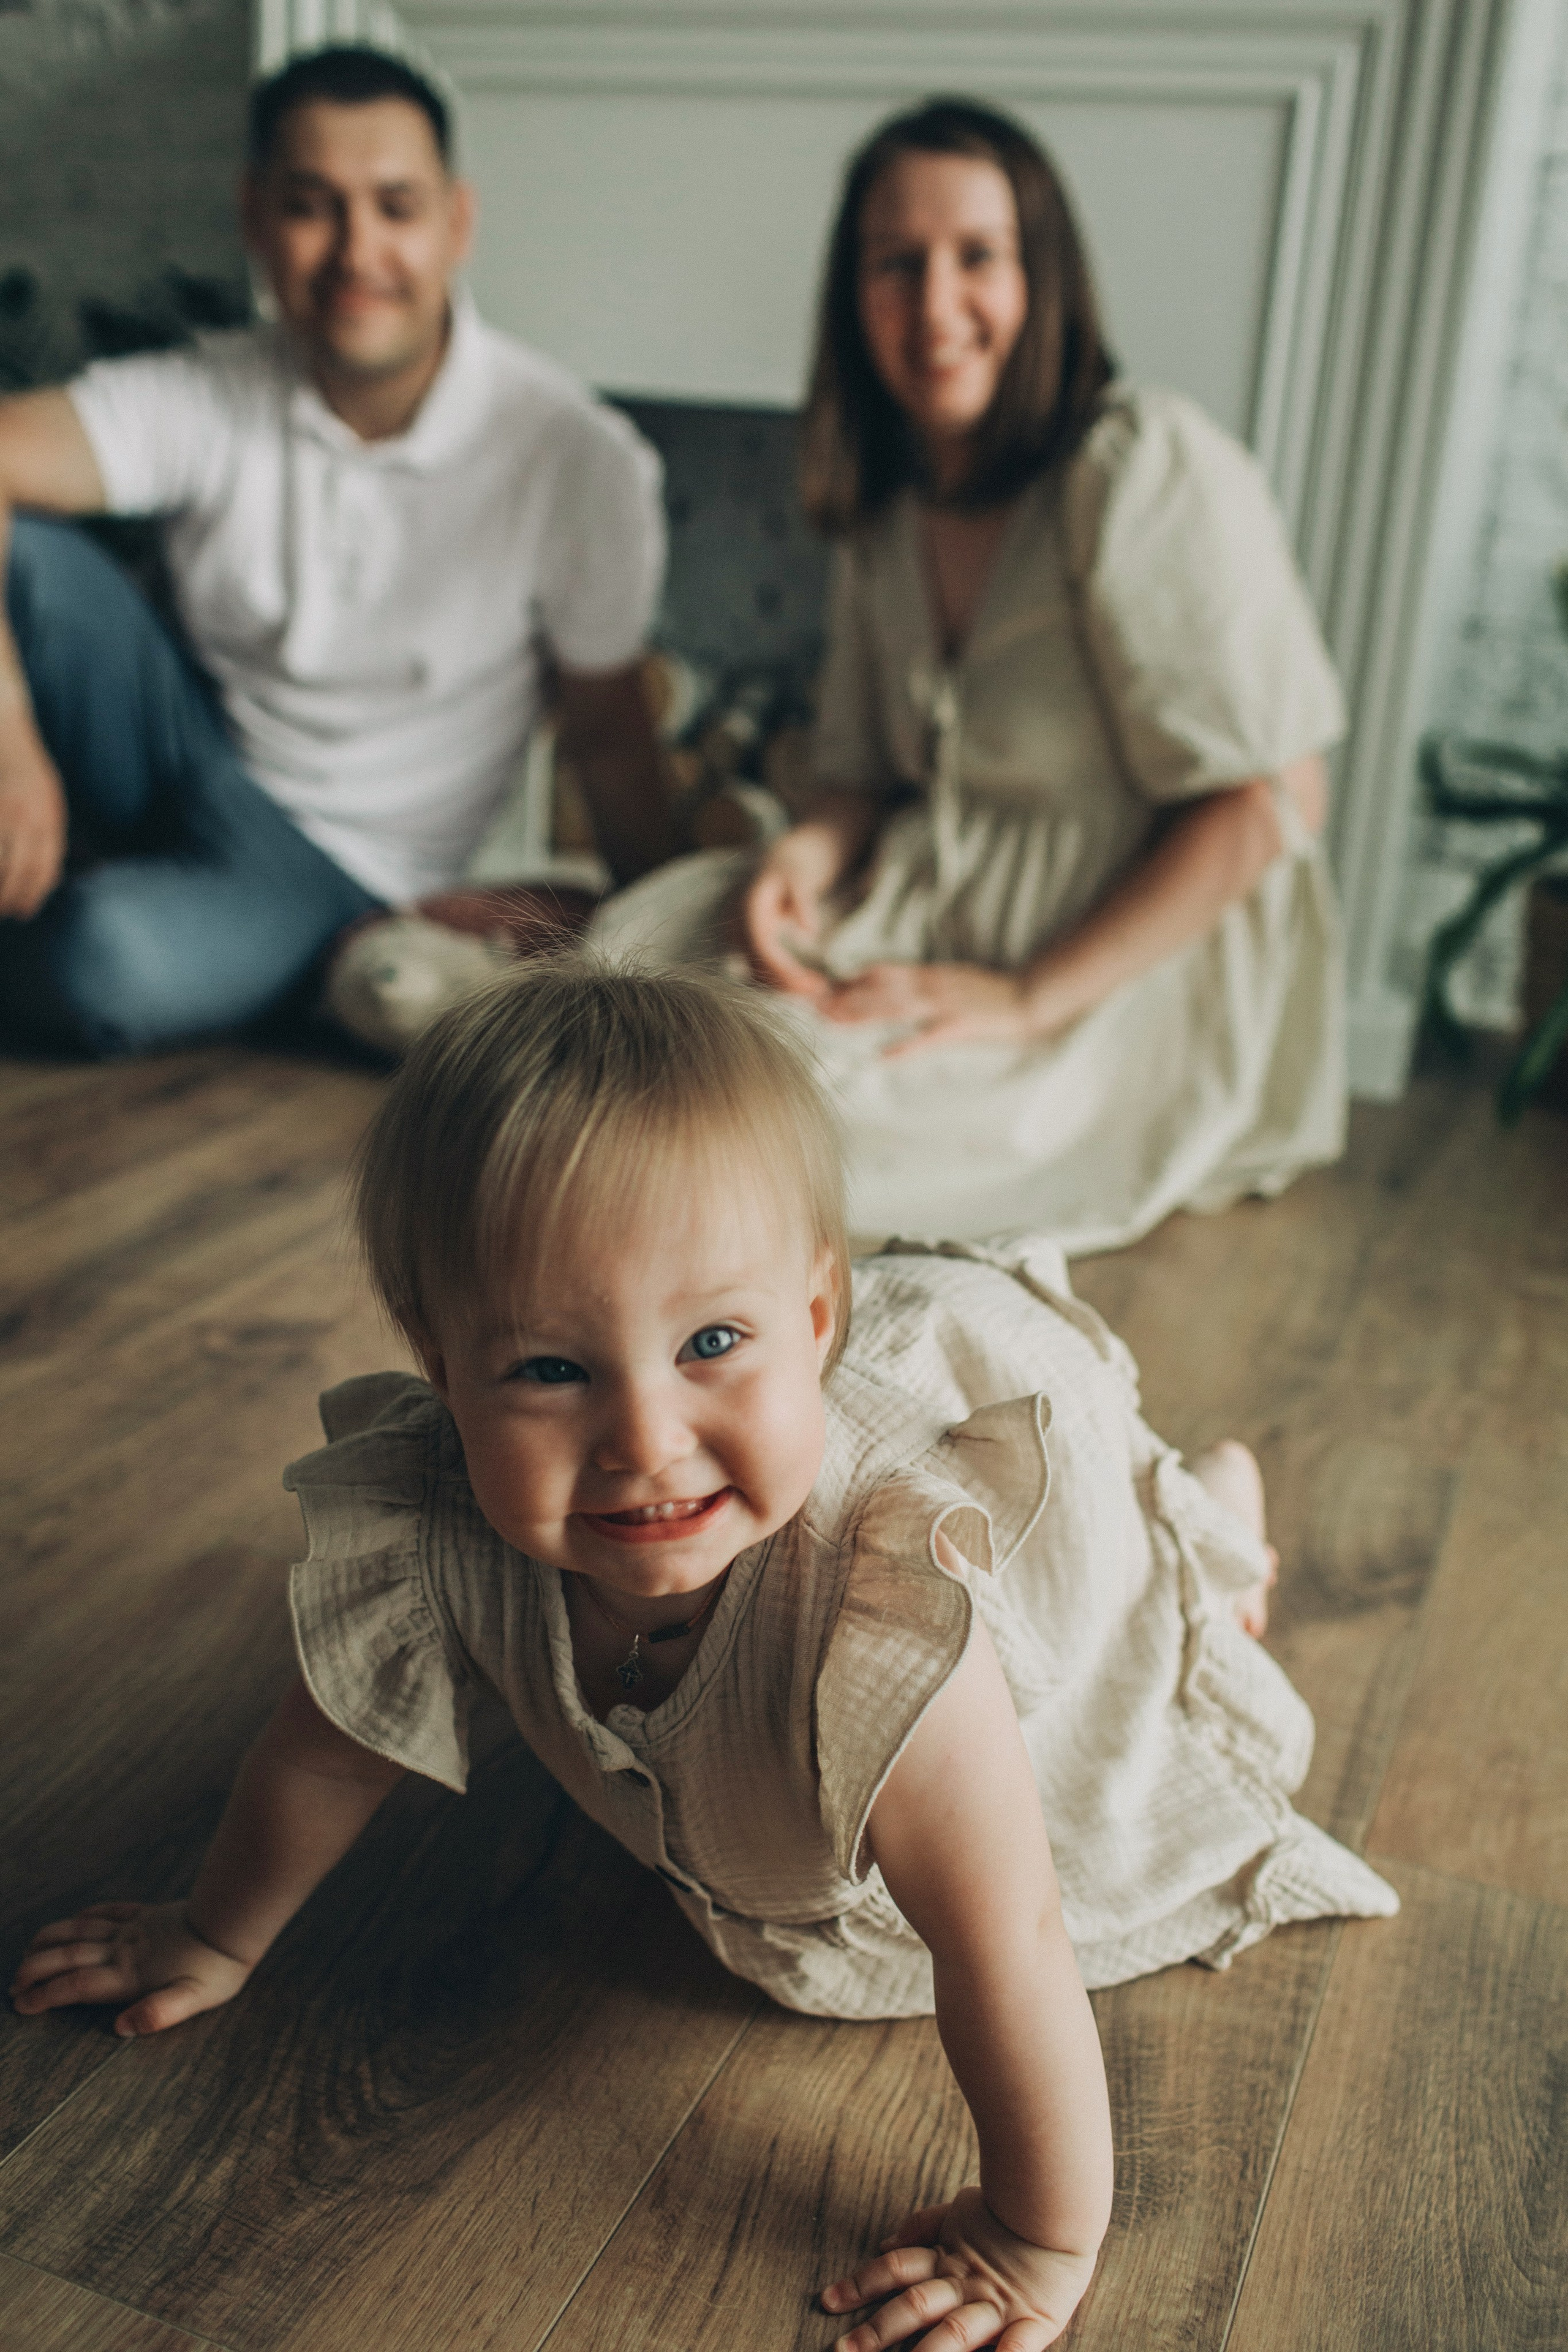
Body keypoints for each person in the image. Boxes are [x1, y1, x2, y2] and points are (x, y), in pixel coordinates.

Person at [12, 961, 1395, 2350]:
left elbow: (1007, 1931)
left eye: (709, 1344)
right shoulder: (433, 1510)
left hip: (1031, 1485)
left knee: (1156, 1617)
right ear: (441, 1366)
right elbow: (320, 1752)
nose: (644, 1440)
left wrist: (1033, 2238)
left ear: (809, 1322)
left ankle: (1213, 1521)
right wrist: (212, 1933)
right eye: (550, 1370)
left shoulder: (880, 1604)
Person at [592, 97, 1348, 1254]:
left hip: (1115, 956)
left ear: (1044, 279)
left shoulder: (1140, 466)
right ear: (854, 296)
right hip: (922, 896)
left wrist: (1028, 996)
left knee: (770, 1127)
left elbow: (1271, 801)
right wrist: (804, 854)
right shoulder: (885, 498)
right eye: (896, 264)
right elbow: (858, 779)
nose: (935, 306)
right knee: (627, 986)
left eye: (977, 258)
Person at [0, 45, 668, 1058]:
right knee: (38, 565)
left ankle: (277, 945)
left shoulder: (575, 457)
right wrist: (7, 734)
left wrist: (669, 946)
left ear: (456, 223)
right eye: (314, 205)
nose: (359, 251)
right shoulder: (213, 388)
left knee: (100, 959)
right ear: (256, 217)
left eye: (396, 207)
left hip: (340, 863)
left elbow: (613, 740)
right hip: (182, 755)